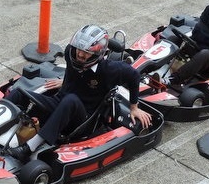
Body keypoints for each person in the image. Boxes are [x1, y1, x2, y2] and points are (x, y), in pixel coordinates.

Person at [8, 25, 152, 161]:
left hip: (83, 119)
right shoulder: (70, 53)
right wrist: (65, 81)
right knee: (19, 93)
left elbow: (134, 76)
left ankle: (28, 148)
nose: (80, 55)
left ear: (97, 53)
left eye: (86, 53)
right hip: (60, 102)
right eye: (79, 49)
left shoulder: (110, 69)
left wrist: (134, 107)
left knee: (70, 100)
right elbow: (75, 72)